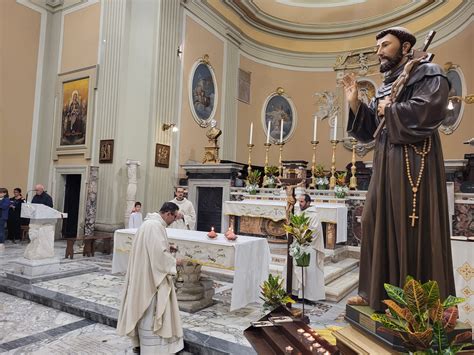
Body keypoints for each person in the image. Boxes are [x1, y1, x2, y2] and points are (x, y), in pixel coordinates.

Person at [342, 27, 455, 311]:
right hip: (385, 160)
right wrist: (356, 104)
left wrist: (390, 110)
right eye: (377, 45)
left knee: (408, 225)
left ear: (406, 47)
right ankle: (375, 293)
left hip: (414, 160)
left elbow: (431, 110)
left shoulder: (429, 72)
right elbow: (372, 131)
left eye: (385, 45)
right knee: (373, 220)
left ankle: (414, 302)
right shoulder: (388, 83)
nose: (379, 50)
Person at [117, 202, 183, 354]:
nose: (173, 221)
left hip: (143, 272)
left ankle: (141, 343)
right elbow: (159, 256)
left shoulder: (148, 224)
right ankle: (153, 348)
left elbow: (153, 247)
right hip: (150, 277)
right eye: (174, 217)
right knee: (151, 307)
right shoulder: (155, 226)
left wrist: (167, 246)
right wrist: (174, 261)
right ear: (168, 214)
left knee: (143, 306)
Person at [287, 194, 325, 301]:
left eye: (302, 202)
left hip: (309, 246)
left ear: (308, 202)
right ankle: (295, 293)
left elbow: (314, 231)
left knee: (309, 270)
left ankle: (308, 296)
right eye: (299, 201)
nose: (300, 203)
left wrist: (300, 236)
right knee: (293, 268)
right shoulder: (299, 213)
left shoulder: (314, 215)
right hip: (298, 245)